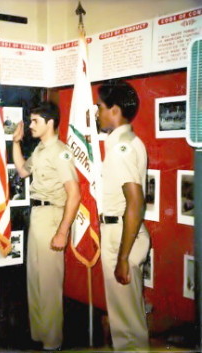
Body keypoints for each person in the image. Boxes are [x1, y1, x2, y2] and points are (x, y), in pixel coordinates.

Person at [12, 101, 80, 351]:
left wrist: (62, 231)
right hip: (38, 215)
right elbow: (22, 171)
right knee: (36, 281)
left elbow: (74, 194)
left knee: (49, 283)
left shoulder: (60, 152)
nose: (30, 125)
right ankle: (41, 337)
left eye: (35, 121)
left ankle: (53, 343)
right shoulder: (41, 149)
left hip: (52, 215)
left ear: (50, 123)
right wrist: (16, 142)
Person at [96, 80, 150, 351]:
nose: (97, 113)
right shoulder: (127, 142)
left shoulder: (121, 148)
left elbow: (136, 203)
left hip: (121, 237)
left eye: (99, 107)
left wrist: (123, 258)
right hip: (121, 233)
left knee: (127, 328)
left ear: (114, 110)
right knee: (127, 319)